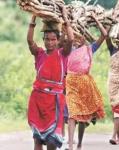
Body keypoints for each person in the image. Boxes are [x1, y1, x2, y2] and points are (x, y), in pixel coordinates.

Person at [27, 7, 74, 150]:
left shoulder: (63, 54)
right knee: (37, 139)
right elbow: (29, 40)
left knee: (52, 141)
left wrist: (65, 19)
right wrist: (34, 18)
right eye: (46, 39)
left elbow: (71, 39)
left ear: (58, 40)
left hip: (55, 102)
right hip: (38, 100)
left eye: (53, 39)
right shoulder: (39, 54)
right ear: (43, 40)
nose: (49, 42)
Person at [66, 13, 107, 150]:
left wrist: (96, 20)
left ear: (84, 37)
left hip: (85, 85)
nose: (77, 40)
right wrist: (67, 21)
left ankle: (79, 143)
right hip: (71, 83)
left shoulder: (90, 49)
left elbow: (104, 35)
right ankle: (70, 146)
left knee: (83, 116)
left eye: (80, 36)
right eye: (75, 36)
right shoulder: (68, 48)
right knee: (72, 114)